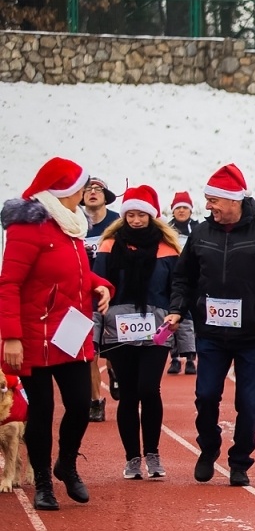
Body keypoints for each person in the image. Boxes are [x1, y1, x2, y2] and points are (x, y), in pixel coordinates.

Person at [164, 164, 255, 488]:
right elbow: (183, 276)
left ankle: (240, 461)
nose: (208, 206)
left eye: (213, 200)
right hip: (211, 333)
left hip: (251, 334)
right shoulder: (201, 233)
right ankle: (208, 448)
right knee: (206, 395)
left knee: (248, 403)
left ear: (233, 201)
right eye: (207, 200)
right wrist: (180, 309)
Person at [0, 158, 114, 510]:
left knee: (81, 405)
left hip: (70, 331)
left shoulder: (72, 225)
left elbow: (77, 275)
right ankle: (44, 485)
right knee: (42, 410)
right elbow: (9, 284)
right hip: (34, 335)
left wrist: (101, 286)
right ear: (64, 191)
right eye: (80, 187)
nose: (84, 193)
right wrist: (12, 337)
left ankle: (66, 463)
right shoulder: (29, 228)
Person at [92, 186, 181, 480]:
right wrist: (95, 335)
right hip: (119, 329)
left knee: (148, 388)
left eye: (141, 214)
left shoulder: (168, 249)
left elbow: (178, 293)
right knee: (128, 394)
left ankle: (153, 453)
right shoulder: (108, 246)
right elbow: (97, 289)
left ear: (152, 215)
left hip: (156, 328)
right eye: (130, 214)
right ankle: (132, 458)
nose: (135, 220)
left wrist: (186, 338)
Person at [82, 176, 120, 422]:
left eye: (98, 189)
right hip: (85, 298)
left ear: (106, 196)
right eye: (88, 189)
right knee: (89, 354)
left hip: (116, 295)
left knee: (117, 351)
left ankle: (116, 371)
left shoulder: (117, 222)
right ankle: (96, 400)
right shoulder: (74, 222)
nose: (92, 192)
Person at [166, 191, 199, 376]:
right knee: (173, 318)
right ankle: (174, 358)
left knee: (191, 321)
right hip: (172, 279)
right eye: (178, 207)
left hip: (193, 279)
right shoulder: (166, 229)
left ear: (190, 210)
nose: (181, 211)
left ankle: (191, 360)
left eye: (185, 207)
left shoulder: (197, 228)